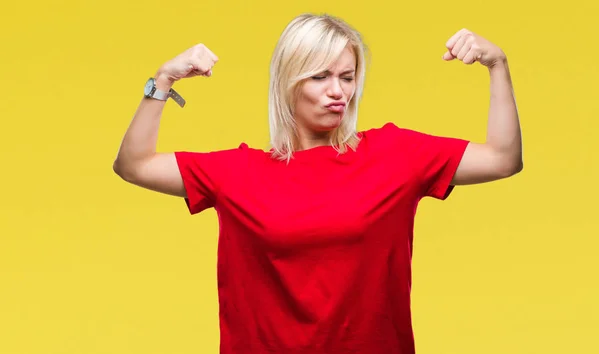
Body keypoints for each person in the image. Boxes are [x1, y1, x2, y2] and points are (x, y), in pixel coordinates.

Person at [113, 13, 522, 354]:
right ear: (289, 82)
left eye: (347, 77)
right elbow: (133, 165)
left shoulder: (395, 155)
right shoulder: (237, 174)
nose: (337, 92)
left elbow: (503, 159)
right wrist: (162, 80)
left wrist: (498, 65)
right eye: (320, 76)